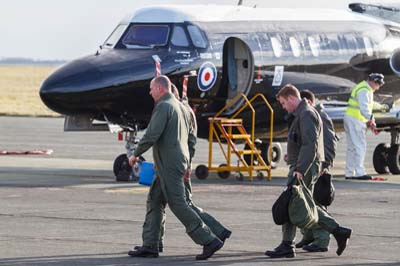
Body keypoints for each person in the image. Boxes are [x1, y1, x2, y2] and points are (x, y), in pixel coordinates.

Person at [128, 75, 225, 260]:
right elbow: (189, 138)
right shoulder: (180, 106)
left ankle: (208, 239)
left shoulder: (164, 106)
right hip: (173, 162)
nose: (149, 92)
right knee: (155, 200)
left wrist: (135, 154)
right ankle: (151, 244)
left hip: (170, 164)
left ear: (160, 89)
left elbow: (152, 134)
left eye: (151, 88)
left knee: (178, 203)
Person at [265, 84, 352, 258]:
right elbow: (303, 142)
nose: (284, 107)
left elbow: (310, 145)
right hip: (300, 165)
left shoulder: (306, 114)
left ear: (291, 98)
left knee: (294, 202)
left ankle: (291, 243)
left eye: (283, 103)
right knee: (294, 203)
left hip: (304, 167)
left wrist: (300, 168)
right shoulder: (303, 114)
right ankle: (289, 244)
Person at [297, 89, 339, 253]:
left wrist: (324, 166)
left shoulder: (319, 116)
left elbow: (329, 143)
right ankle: (308, 236)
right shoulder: (307, 115)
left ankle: (322, 240)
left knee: (317, 204)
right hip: (308, 165)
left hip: (318, 168)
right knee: (305, 203)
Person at [344, 73, 386, 180]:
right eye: (379, 84)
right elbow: (364, 109)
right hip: (356, 120)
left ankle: (349, 172)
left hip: (350, 118)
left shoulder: (362, 87)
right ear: (374, 82)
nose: (379, 87)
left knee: (352, 147)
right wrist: (372, 120)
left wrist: (381, 106)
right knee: (360, 146)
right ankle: (359, 172)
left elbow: (368, 104)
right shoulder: (365, 90)